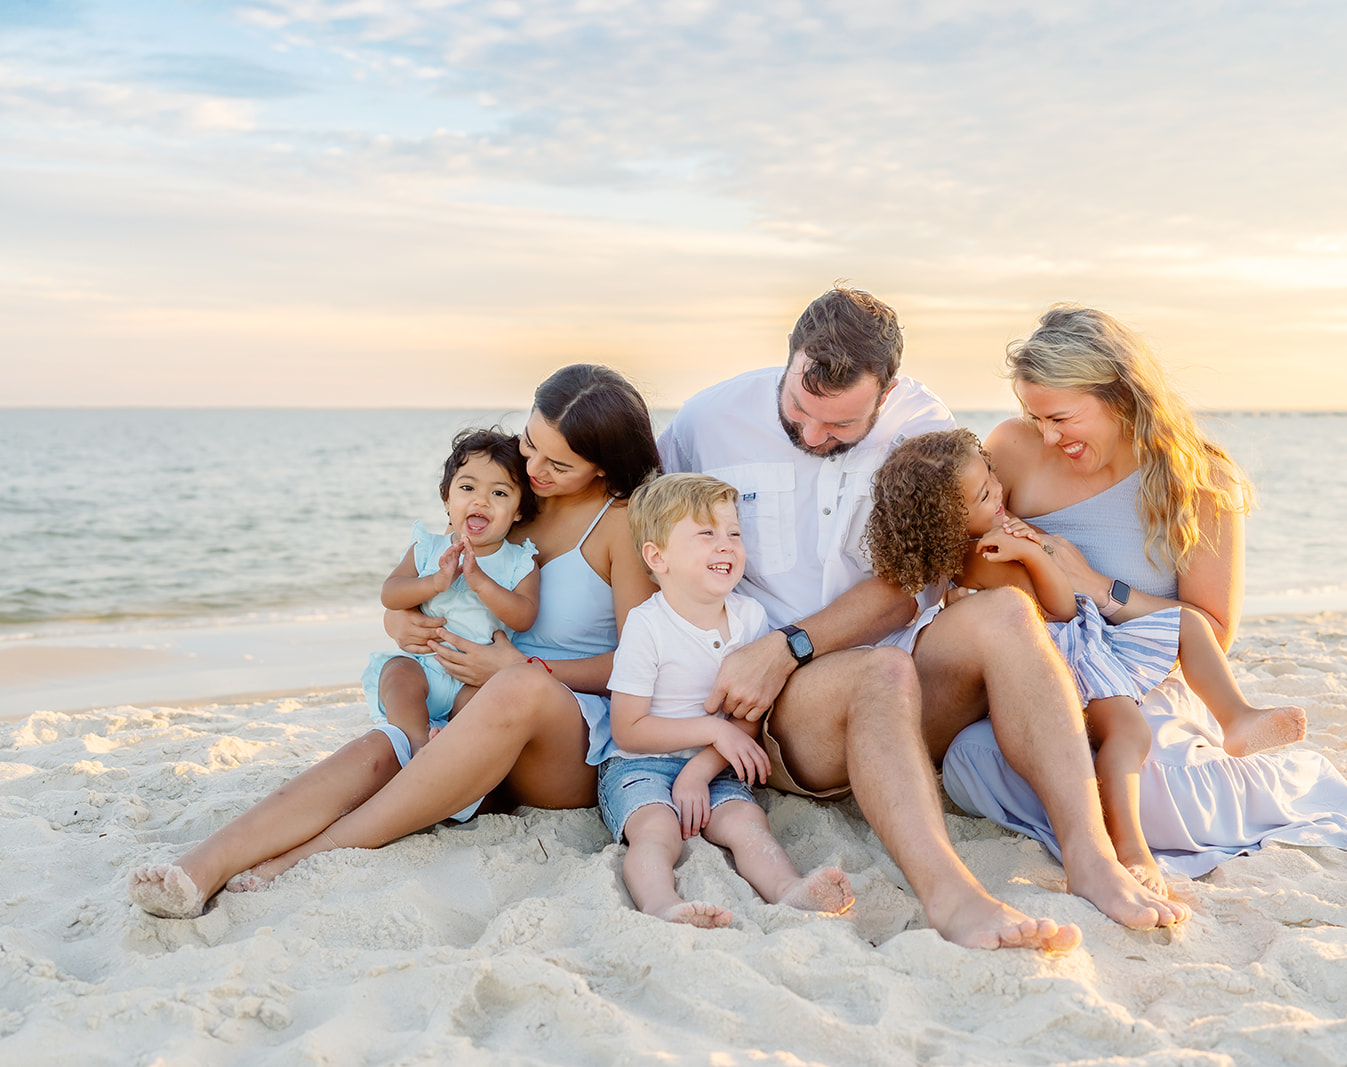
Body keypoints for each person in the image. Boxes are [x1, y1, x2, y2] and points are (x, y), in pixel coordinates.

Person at [659, 286, 1185, 949]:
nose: (814, 433)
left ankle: (1091, 856)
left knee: (1004, 613)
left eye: (842, 426)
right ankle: (955, 897)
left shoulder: (923, 426)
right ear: (789, 358)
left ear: (888, 390)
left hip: (900, 677)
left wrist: (792, 643)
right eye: (799, 409)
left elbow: (911, 582)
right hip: (784, 711)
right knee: (881, 670)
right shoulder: (709, 419)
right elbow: (639, 522)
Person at [128, 364, 660, 919]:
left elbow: (643, 662)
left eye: (558, 463)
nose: (534, 468)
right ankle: (202, 866)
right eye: (530, 444)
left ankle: (305, 855)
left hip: (564, 742)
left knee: (519, 687)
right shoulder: (508, 495)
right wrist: (401, 625)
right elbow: (430, 588)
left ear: (603, 464)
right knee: (382, 748)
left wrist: (518, 666)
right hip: (466, 711)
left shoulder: (619, 522)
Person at [940, 305, 1347, 879]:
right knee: (971, 759)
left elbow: (1210, 629)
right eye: (1036, 416)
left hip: (1145, 678)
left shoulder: (1198, 481)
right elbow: (968, 555)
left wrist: (1100, 588)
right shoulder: (1012, 448)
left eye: (1062, 417)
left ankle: (1154, 803)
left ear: (1119, 394)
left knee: (1147, 772)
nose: (1049, 435)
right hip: (1044, 667)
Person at [865, 428, 1306, 894]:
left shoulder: (995, 532)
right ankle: (1131, 848)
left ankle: (1236, 718)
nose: (999, 491)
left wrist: (1031, 544)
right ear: (951, 520)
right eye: (984, 494)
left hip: (1084, 636)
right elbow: (1059, 607)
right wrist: (1035, 556)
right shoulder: (986, 553)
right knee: (1128, 732)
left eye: (992, 478)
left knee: (1189, 624)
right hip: (1064, 653)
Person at [600, 472, 854, 928]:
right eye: (706, 533)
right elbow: (628, 728)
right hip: (639, 763)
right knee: (656, 833)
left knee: (747, 824)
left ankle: (788, 890)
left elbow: (748, 715)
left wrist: (700, 770)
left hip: (714, 764)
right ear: (658, 557)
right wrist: (712, 729)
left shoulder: (749, 618)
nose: (726, 545)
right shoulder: (647, 626)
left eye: (734, 532)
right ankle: (660, 903)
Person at [361, 428, 539, 759]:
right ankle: (416, 741)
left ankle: (449, 743)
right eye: (467, 488)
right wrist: (435, 583)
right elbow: (391, 594)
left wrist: (481, 582)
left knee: (489, 706)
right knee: (397, 673)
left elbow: (524, 616)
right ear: (447, 498)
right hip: (423, 665)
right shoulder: (428, 547)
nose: (480, 500)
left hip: (475, 677)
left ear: (518, 510)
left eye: (499, 493)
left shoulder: (520, 562)